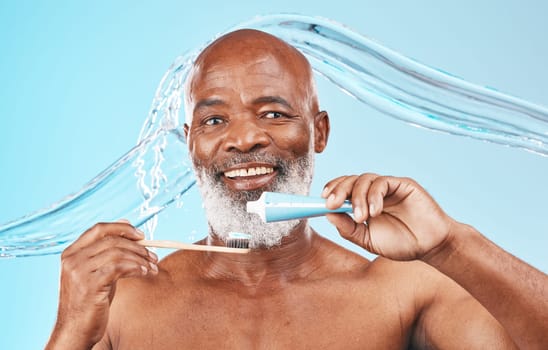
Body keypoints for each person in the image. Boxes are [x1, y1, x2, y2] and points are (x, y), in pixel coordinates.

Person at [45, 29, 547, 350]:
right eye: (215, 119)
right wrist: (68, 334)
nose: (244, 138)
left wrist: (451, 245)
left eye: (274, 114)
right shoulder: (123, 304)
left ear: (319, 131)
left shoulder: (400, 292)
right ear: (191, 143)